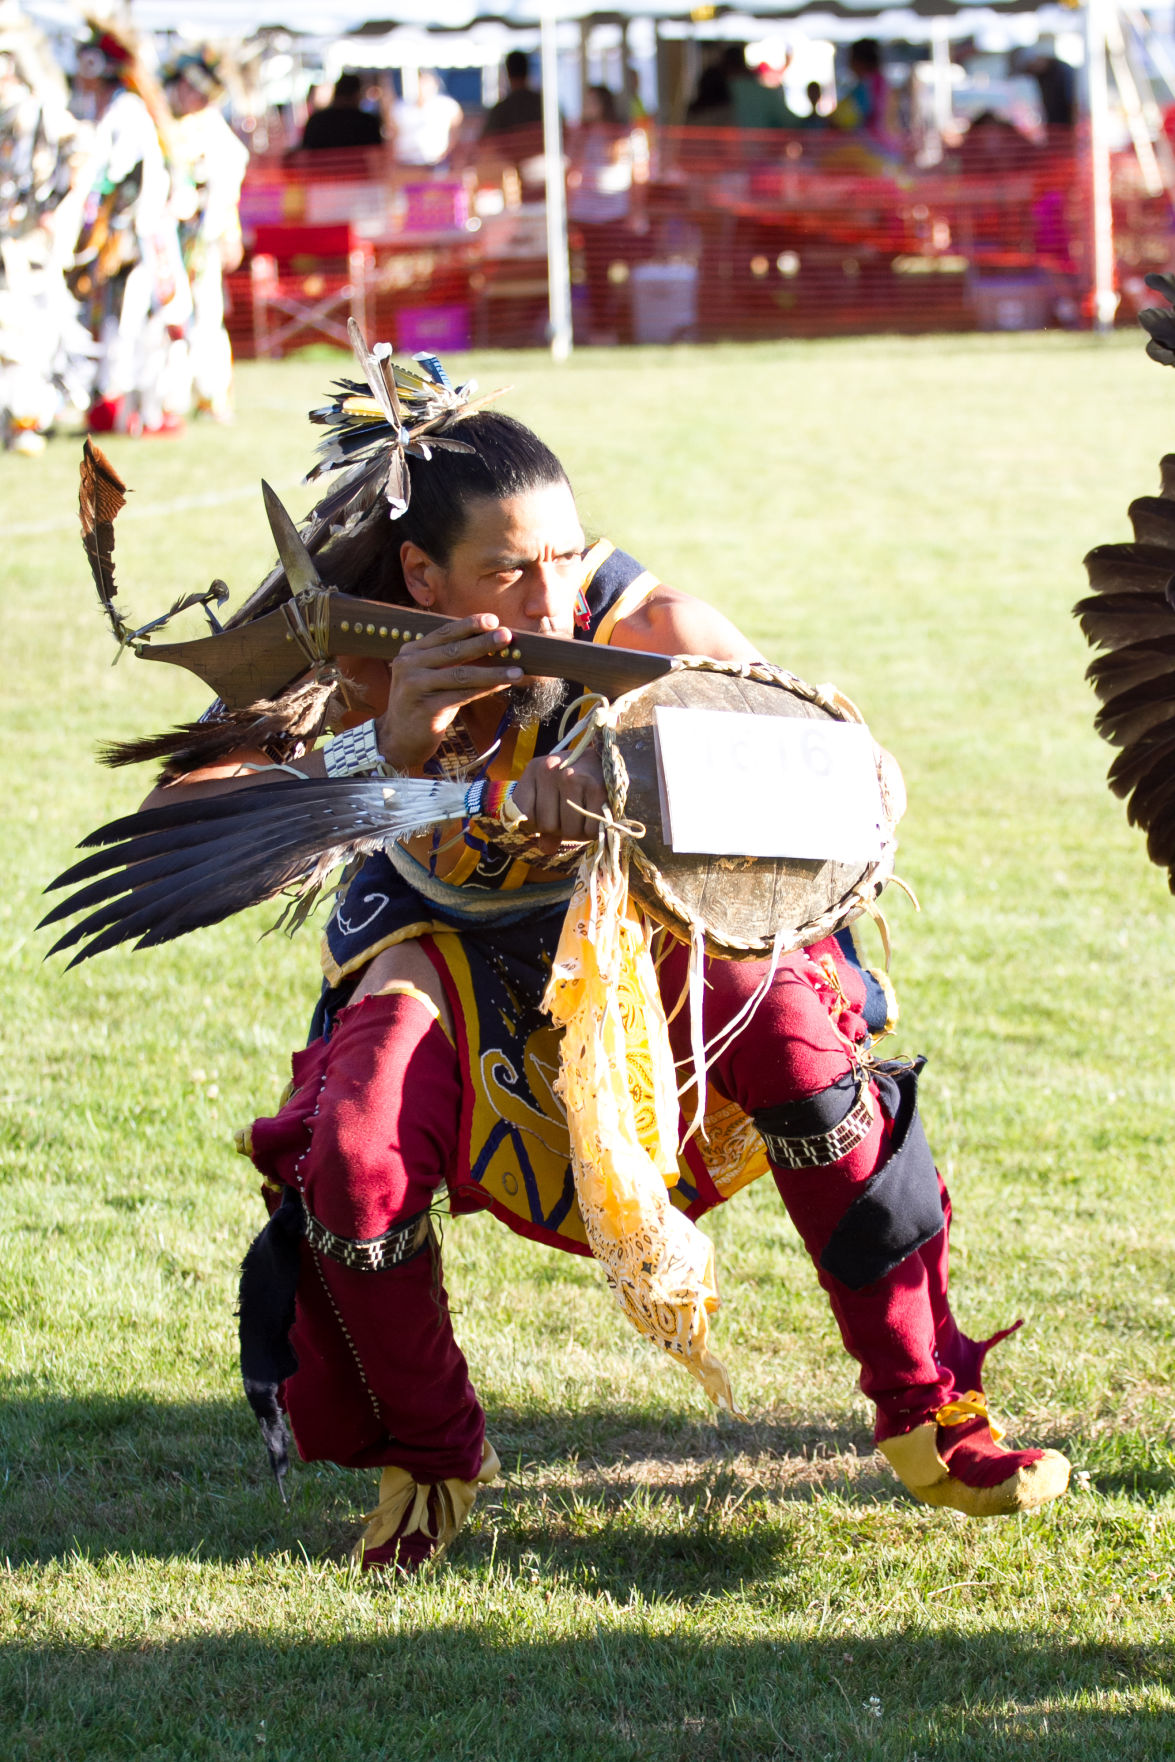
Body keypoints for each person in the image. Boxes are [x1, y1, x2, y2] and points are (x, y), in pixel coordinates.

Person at [126, 356, 1070, 1575]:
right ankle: (429, 1455)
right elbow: (183, 818)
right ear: (422, 576)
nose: (550, 589)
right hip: (441, 955)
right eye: (508, 569)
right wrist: (390, 751)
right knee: (354, 1153)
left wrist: (775, 761)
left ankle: (926, 1403)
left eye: (563, 553)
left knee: (790, 1023)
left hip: (633, 944)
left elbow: (808, 754)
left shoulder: (637, 623)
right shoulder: (366, 651)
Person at [63, 26, 190, 436]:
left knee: (138, 321)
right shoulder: (110, 109)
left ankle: (137, 409)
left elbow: (112, 174)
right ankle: (118, 405)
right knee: (117, 318)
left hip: (136, 238)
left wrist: (89, 198)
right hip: (120, 235)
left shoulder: (126, 111)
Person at [165, 47, 249, 424]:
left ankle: (212, 395)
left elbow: (227, 184)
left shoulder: (212, 128)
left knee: (206, 314)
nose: (194, 99)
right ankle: (168, 398)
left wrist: (229, 232)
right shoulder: (160, 119)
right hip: (162, 238)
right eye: (191, 90)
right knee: (167, 315)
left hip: (201, 238)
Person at [388, 69, 463, 169]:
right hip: (405, 162)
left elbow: (456, 130)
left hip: (436, 163)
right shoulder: (400, 107)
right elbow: (392, 133)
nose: (422, 87)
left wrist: (447, 153)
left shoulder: (447, 106)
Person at [300, 73, 382, 151]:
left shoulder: (316, 121)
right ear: (357, 94)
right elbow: (378, 152)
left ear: (335, 94)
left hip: (322, 166)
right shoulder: (369, 122)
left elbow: (305, 150)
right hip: (359, 166)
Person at [479, 49, 542, 141]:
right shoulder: (545, 107)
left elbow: (485, 143)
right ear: (527, 70)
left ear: (508, 73)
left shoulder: (500, 111)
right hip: (545, 155)